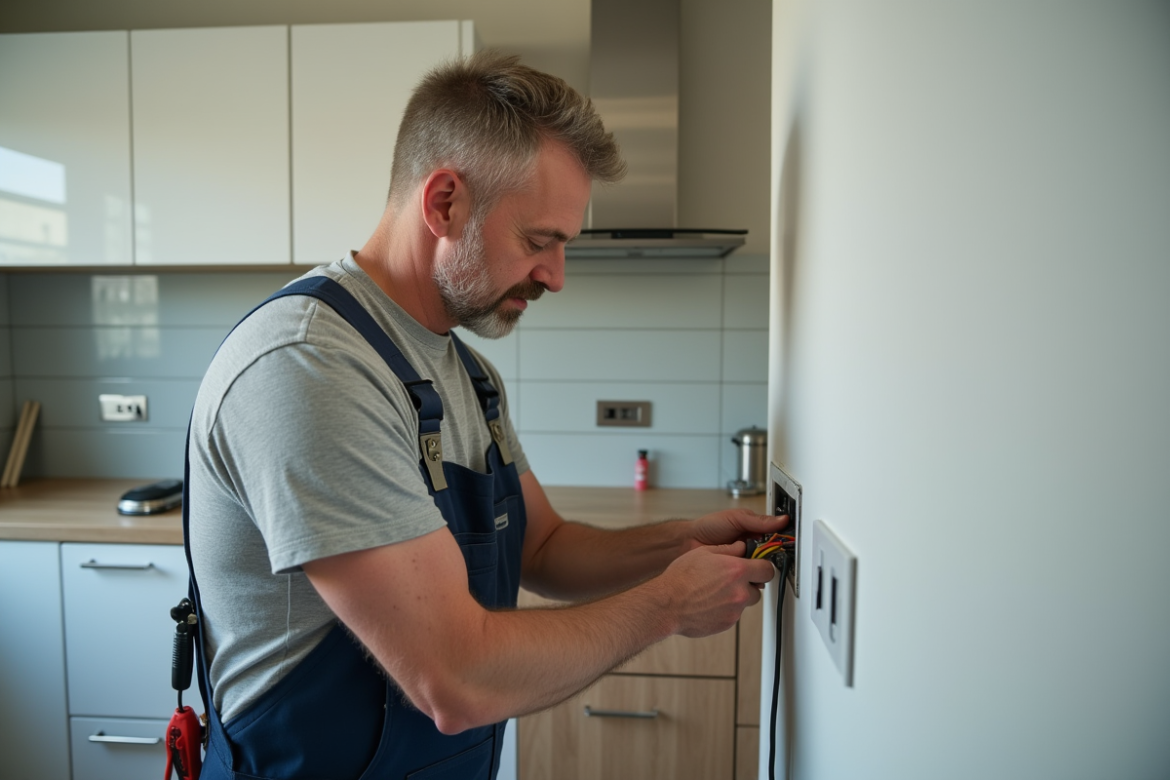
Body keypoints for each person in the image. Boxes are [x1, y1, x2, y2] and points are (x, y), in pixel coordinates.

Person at [185, 51, 783, 780]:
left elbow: (543, 549)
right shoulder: (309, 366)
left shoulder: (468, 372)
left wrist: (681, 542)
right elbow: (455, 678)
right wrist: (664, 607)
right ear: (444, 204)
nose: (556, 277)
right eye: (540, 242)